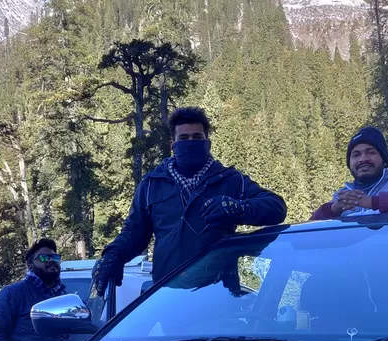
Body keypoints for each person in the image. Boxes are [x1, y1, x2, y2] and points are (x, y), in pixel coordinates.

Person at [92, 106, 287, 294]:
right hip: (167, 294)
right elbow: (134, 234)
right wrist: (113, 255)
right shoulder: (152, 184)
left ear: (207, 142)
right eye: (184, 138)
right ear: (173, 144)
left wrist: (237, 208)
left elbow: (276, 207)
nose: (190, 142)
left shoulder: (229, 180)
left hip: (218, 294)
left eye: (197, 137)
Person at [310, 126, 388, 220]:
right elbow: (309, 234)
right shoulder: (343, 196)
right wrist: (332, 209)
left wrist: (373, 202)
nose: (363, 159)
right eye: (356, 155)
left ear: (384, 159)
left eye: (371, 152)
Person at [0, 238, 71, 341]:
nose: (51, 261)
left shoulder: (65, 297)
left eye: (55, 257)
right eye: (43, 258)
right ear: (30, 265)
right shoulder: (12, 293)